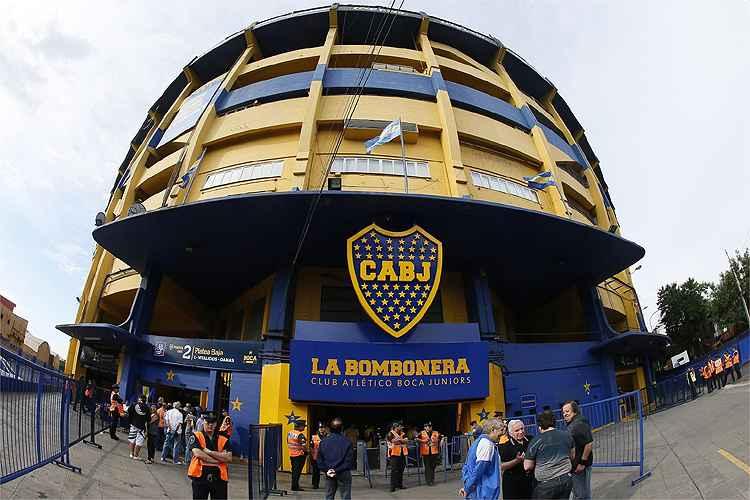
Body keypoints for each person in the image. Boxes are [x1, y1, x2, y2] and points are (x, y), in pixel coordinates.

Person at [524, 410, 574, 499]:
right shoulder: (567, 435)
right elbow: (572, 456)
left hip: (546, 485)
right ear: (554, 422)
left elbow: (527, 466)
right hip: (566, 479)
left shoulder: (536, 440)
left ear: (539, 426)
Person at [188, 411, 232, 499]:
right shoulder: (196, 436)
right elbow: (198, 453)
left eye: (213, 423)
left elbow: (228, 457)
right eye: (208, 422)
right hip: (200, 476)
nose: (210, 425)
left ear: (216, 424)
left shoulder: (223, 439)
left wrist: (209, 452)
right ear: (203, 422)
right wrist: (219, 460)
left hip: (219, 478)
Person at [459, 418, 505, 500]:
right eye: (501, 430)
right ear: (493, 430)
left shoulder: (480, 442)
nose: (503, 433)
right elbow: (478, 470)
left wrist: (467, 487)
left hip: (480, 491)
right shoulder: (487, 445)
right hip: (482, 492)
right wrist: (467, 488)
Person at [562, 401, 593, 500]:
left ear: (575, 412)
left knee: (581, 495)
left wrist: (582, 463)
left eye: (567, 411)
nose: (565, 414)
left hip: (579, 467)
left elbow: (588, 444)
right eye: (563, 412)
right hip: (576, 466)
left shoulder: (578, 424)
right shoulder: (575, 422)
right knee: (580, 493)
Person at [317, 417, 354, 500]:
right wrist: (337, 470)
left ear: (329, 428)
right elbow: (349, 461)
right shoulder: (347, 442)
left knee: (329, 496)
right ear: (342, 428)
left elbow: (319, 460)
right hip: (343, 473)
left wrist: (327, 470)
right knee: (345, 496)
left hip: (329, 473)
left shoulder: (323, 442)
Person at [499, 420, 533, 500]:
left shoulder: (531, 440)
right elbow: (501, 466)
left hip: (529, 482)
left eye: (522, 429)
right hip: (512, 484)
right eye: (517, 430)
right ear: (510, 433)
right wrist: (516, 461)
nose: (521, 432)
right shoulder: (504, 447)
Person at [418, 421, 444, 486]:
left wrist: (441, 441)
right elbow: (416, 439)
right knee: (427, 467)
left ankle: (432, 480)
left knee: (433, 467)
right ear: (425, 427)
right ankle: (428, 481)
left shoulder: (436, 432)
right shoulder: (421, 433)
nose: (428, 428)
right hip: (425, 452)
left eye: (430, 426)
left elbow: (442, 437)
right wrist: (423, 441)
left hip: (434, 452)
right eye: (427, 427)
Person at [387, 421, 408, 492]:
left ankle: (400, 484)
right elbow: (392, 440)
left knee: (401, 469)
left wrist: (400, 440)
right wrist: (401, 441)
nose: (402, 427)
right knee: (394, 470)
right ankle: (392, 486)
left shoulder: (403, 433)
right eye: (400, 426)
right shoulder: (391, 433)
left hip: (402, 453)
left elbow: (406, 441)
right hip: (394, 454)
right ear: (396, 427)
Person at [127, 395, 150, 460]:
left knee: (132, 439)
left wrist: (131, 421)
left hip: (133, 424)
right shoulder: (147, 408)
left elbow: (128, 412)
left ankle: (131, 453)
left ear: (139, 399)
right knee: (139, 442)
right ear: (145, 400)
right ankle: (136, 455)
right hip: (141, 427)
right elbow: (148, 419)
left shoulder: (134, 404)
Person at [287, 419, 307, 491]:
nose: (304, 428)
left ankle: (294, 485)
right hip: (299, 455)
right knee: (297, 472)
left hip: (292, 455)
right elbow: (304, 446)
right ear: (300, 426)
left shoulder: (290, 433)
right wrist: (306, 452)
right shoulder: (300, 435)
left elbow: (288, 442)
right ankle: (295, 486)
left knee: (294, 471)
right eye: (303, 426)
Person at [311, 423, 328, 489]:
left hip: (326, 457)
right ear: (318, 429)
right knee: (315, 472)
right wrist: (312, 457)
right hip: (316, 457)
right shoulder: (314, 437)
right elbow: (311, 447)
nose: (322, 429)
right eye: (320, 428)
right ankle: (315, 484)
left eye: (323, 428)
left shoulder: (328, 437)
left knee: (328, 471)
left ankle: (330, 484)